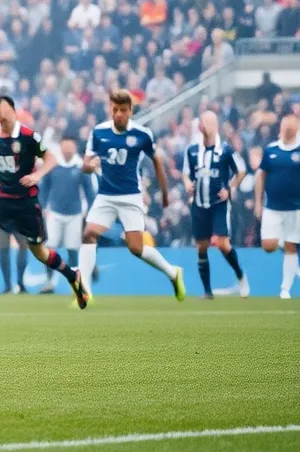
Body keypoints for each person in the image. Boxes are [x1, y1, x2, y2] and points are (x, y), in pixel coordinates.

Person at [0, 96, 87, 308]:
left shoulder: (29, 136)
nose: (3, 121)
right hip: (2, 199)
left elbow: (51, 159)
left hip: (26, 203)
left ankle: (72, 275)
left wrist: (38, 176)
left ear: (14, 113)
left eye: (6, 116)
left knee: (40, 253)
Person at [80, 90, 185, 302]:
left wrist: (164, 193)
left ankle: (173, 273)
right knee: (88, 234)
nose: (118, 114)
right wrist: (91, 165)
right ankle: (85, 291)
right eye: (115, 109)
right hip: (106, 196)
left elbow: (157, 162)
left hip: (130, 197)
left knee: (136, 248)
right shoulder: (99, 132)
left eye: (123, 110)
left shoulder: (142, 134)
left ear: (130, 111)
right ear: (110, 109)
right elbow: (85, 165)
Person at [182, 111, 249, 299]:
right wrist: (187, 183)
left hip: (218, 203)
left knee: (222, 242)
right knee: (201, 246)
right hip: (198, 204)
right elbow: (186, 173)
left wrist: (230, 188)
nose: (204, 125)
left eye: (207, 122)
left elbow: (241, 170)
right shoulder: (192, 150)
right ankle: (207, 291)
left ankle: (240, 275)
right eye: (202, 122)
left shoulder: (225, 150)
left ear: (215, 125)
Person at [37, 134, 95, 294]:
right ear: (61, 146)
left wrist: (92, 211)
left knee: (72, 249)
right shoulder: (53, 164)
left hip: (75, 214)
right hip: (54, 212)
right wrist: (41, 206)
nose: (69, 149)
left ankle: (75, 283)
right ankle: (49, 282)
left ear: (75, 147)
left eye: (71, 146)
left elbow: (89, 191)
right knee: (50, 247)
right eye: (66, 145)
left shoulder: (81, 166)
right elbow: (44, 187)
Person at [254, 114, 300, 299]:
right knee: (268, 245)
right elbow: (261, 175)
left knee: (291, 247)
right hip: (272, 207)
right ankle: (280, 241)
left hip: (295, 208)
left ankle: (285, 289)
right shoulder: (271, 150)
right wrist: (258, 202)